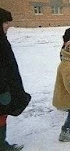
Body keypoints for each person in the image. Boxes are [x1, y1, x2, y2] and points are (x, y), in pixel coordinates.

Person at [0, 8, 31, 151]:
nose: (8, 26)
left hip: (7, 87)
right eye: (5, 22)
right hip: (2, 89)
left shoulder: (2, 38)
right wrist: (3, 90)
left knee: (3, 116)